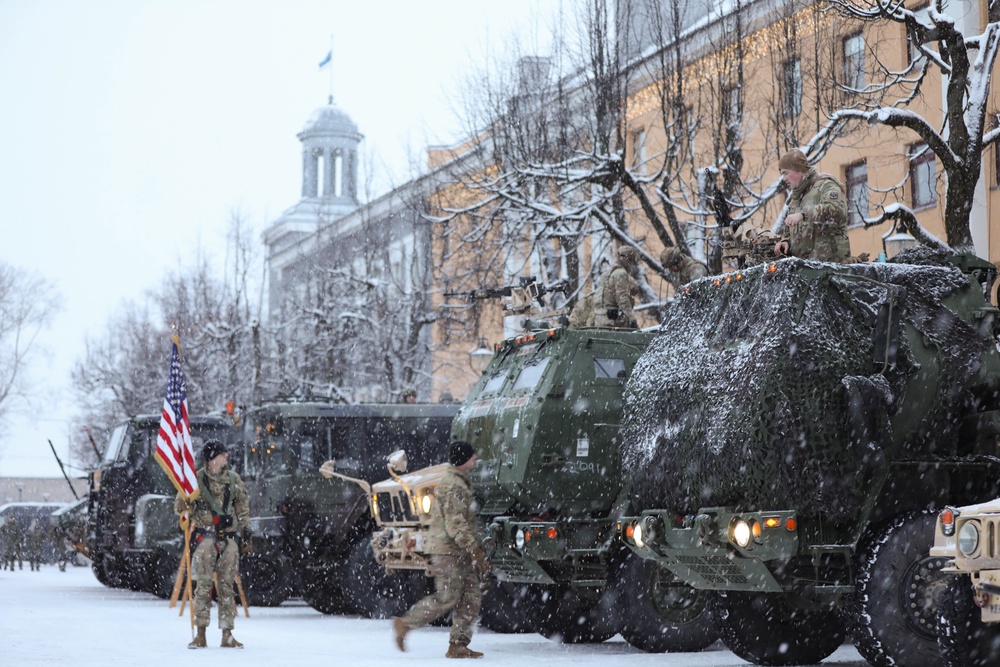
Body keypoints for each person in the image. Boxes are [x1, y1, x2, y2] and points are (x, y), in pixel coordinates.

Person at [393, 441, 490, 659]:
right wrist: (476, 550)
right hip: (448, 551)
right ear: (463, 460)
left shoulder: (460, 482)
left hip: (459, 551)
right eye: (472, 456)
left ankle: (458, 645)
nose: (475, 458)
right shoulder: (453, 485)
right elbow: (456, 525)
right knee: (448, 596)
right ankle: (405, 624)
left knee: (471, 598)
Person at [175, 440, 251, 649]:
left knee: (227, 587)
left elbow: (242, 508)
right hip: (204, 539)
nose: (226, 457)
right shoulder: (196, 481)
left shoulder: (234, 480)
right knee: (203, 587)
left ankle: (228, 634)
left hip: (228, 539)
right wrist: (185, 499)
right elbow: (179, 508)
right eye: (222, 454)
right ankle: (200, 634)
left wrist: (246, 530)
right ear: (212, 458)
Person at [773, 148, 851, 262]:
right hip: (804, 270)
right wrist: (785, 241)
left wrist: (804, 214)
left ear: (798, 169)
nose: (784, 178)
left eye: (786, 173)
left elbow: (838, 211)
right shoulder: (795, 198)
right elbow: (790, 230)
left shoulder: (825, 185)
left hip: (831, 267)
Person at [593, 246, 640, 329]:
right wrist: (632, 319)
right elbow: (622, 298)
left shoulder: (606, 274)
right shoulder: (621, 274)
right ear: (628, 259)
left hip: (600, 319)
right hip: (612, 322)